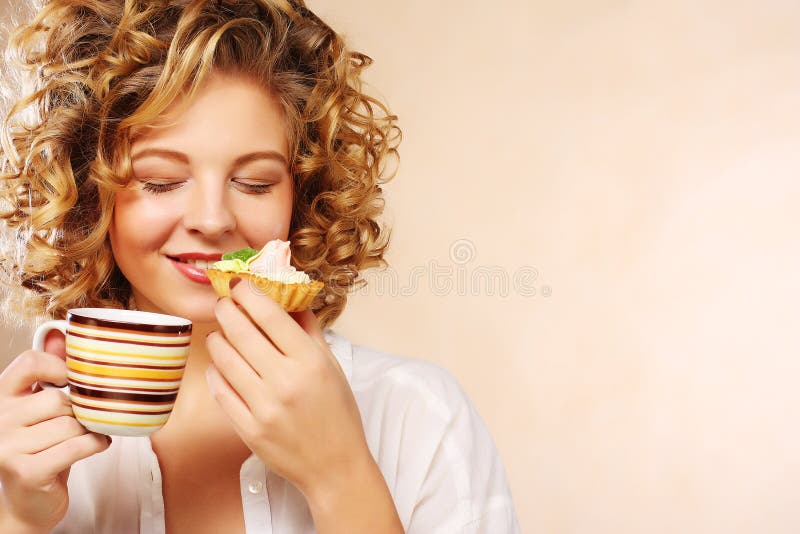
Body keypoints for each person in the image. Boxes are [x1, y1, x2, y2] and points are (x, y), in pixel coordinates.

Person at [0, 1, 521, 532]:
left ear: (304, 193)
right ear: (89, 193)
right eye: (161, 181)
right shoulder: (26, 447)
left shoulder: (419, 417)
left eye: (254, 183)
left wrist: (340, 477)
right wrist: (19, 516)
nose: (212, 219)